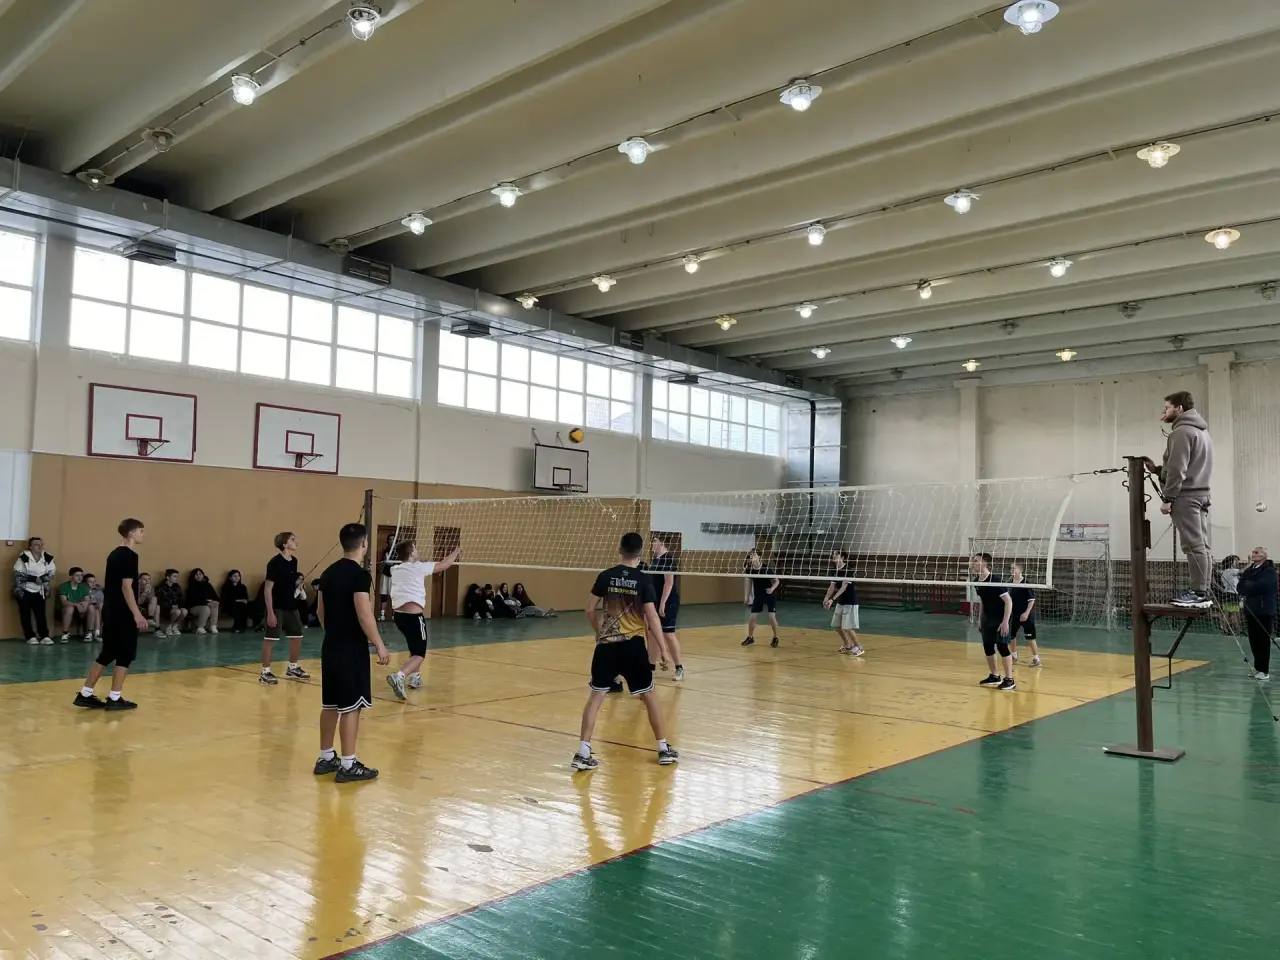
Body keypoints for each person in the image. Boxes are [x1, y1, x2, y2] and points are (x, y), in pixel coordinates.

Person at [573, 532, 679, 771]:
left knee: (596, 697)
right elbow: (652, 617)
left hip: (607, 645)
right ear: (640, 553)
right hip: (633, 646)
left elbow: (589, 610)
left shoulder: (605, 576)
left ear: (619, 549)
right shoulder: (643, 580)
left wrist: (599, 632)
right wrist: (663, 650)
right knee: (649, 696)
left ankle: (582, 752)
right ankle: (663, 749)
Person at [313, 522, 389, 783]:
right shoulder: (360, 575)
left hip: (330, 646)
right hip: (351, 649)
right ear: (364, 544)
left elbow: (320, 611)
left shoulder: (328, 573)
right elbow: (364, 612)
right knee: (351, 706)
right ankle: (348, 764)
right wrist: (379, 643)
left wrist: (333, 632)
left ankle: (326, 757)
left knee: (330, 704)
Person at [73, 519, 147, 710]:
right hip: (123, 612)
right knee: (126, 653)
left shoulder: (114, 554)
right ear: (131, 533)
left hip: (111, 610)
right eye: (140, 531)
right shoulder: (130, 555)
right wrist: (137, 614)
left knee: (109, 651)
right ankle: (114, 698)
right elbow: (126, 587)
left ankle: (85, 694)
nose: (143, 534)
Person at [1155, 390, 1214, 608]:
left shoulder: (1181, 432)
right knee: (1202, 545)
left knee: (1193, 546)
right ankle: (1203, 590)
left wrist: (1168, 498)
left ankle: (1198, 593)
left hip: (1186, 497)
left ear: (1179, 408)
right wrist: (1158, 470)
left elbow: (1178, 469)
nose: (1164, 412)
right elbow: (1189, 466)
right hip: (1201, 494)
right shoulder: (1202, 432)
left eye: (1167, 408)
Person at [385, 541, 460, 700]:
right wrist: (456, 552)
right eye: (415, 548)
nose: (417, 550)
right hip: (414, 618)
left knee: (414, 646)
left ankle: (415, 677)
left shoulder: (395, 569)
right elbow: (444, 565)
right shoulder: (418, 567)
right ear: (412, 553)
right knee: (419, 654)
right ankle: (399, 676)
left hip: (399, 617)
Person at [261, 532, 308, 685]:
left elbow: (287, 581)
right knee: (270, 639)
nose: (296, 541)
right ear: (284, 544)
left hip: (291, 606)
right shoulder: (274, 563)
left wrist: (297, 585)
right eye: (292, 539)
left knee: (297, 636)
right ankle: (265, 672)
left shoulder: (294, 561)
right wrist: (270, 612)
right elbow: (268, 589)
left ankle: (292, 668)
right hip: (276, 607)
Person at [971, 552, 1015, 691]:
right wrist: (980, 620)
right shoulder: (976, 581)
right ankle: (995, 676)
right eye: (973, 560)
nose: (973, 563)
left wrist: (1005, 622)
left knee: (1002, 646)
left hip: (1001, 619)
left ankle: (1010, 680)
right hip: (987, 619)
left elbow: (1008, 601)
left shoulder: (995, 580)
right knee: (988, 647)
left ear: (984, 563)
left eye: (976, 560)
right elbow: (983, 601)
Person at [643, 536, 685, 680]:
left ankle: (679, 668)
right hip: (655, 602)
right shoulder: (655, 560)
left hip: (668, 601)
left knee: (668, 634)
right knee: (653, 634)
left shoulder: (668, 559)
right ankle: (650, 668)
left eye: (654, 541)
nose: (652, 544)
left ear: (661, 543)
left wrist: (662, 604)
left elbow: (669, 583)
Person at [1236, 546, 1275, 681]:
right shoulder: (1249, 570)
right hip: (1250, 610)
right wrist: (1249, 585)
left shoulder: (1269, 571)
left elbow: (1262, 586)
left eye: (1256, 552)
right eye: (1253, 552)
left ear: (1264, 555)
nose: (1253, 554)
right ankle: (1258, 668)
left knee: (1263, 641)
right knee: (1254, 641)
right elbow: (1240, 587)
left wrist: (1249, 585)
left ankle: (1264, 671)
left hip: (1264, 611)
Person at [13, 535, 55, 645]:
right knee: (25, 614)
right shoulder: (24, 557)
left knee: (41, 614)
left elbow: (51, 573)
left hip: (40, 590)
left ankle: (44, 636)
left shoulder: (47, 557)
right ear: (30, 547)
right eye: (36, 544)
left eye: (41, 544)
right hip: (24, 590)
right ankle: (30, 636)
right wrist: (34, 579)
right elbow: (18, 574)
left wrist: (42, 579)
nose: (39, 546)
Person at [822, 548, 863, 656]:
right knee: (836, 625)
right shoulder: (834, 570)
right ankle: (848, 645)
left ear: (842, 557)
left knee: (847, 627)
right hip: (841, 602)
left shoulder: (848, 570)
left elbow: (843, 588)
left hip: (850, 602)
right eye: (833, 555)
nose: (834, 556)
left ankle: (859, 647)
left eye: (836, 555)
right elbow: (832, 587)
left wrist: (832, 600)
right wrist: (826, 598)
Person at [741, 549, 782, 647]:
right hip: (758, 595)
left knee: (771, 617)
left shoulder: (766, 569)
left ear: (759, 557)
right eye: (751, 555)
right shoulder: (749, 570)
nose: (752, 556)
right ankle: (750, 638)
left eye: (754, 555)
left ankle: (775, 637)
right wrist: (746, 597)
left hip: (769, 594)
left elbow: (777, 581)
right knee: (752, 617)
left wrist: (772, 589)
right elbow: (748, 583)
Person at [1007, 562, 1041, 667]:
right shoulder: (1009, 582)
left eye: (1014, 568)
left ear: (1020, 570)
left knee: (1030, 637)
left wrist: (1026, 613)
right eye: (1011, 568)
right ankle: (1014, 656)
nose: (1012, 570)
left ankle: (1036, 658)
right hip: (1014, 614)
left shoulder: (1026, 583)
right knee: (1011, 636)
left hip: (1026, 615)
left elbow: (1032, 600)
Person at [58, 567, 92, 642]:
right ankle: (65, 633)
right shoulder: (64, 586)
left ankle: (89, 633)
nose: (80, 577)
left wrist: (85, 604)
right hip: (66, 610)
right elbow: (64, 602)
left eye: (81, 575)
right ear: (71, 577)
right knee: (70, 608)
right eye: (77, 575)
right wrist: (76, 605)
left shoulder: (84, 587)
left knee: (91, 607)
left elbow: (87, 599)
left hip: (81, 609)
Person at [185, 568, 220, 634]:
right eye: (196, 574)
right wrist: (207, 602)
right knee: (206, 608)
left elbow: (216, 597)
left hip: (208, 605)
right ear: (193, 576)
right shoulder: (191, 586)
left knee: (215, 604)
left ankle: (213, 626)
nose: (198, 576)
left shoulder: (208, 585)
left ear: (203, 575)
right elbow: (193, 600)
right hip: (194, 607)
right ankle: (200, 627)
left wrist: (214, 601)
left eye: (200, 574)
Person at [155, 569, 187, 637]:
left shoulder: (177, 586)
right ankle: (168, 627)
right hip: (165, 609)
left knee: (184, 611)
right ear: (168, 577)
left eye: (177, 576)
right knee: (177, 612)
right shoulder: (160, 587)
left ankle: (174, 626)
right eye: (174, 576)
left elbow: (181, 598)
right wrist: (171, 606)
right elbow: (159, 601)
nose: (176, 578)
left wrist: (179, 605)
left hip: (176, 607)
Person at [377, 532, 395, 621]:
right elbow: (381, 562)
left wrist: (392, 563)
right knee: (384, 594)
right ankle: (382, 615)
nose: (391, 541)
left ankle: (394, 615)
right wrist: (384, 562)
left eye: (393, 539)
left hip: (394, 576)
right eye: (390, 539)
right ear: (388, 541)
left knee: (393, 596)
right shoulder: (385, 551)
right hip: (385, 575)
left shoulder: (397, 551)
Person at [85, 574, 104, 641]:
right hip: (86, 609)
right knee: (94, 608)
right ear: (85, 583)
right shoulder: (82, 590)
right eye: (90, 582)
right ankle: (97, 633)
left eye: (94, 581)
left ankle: (95, 633)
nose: (93, 583)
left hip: (97, 608)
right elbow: (84, 601)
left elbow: (101, 600)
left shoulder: (98, 590)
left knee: (98, 608)